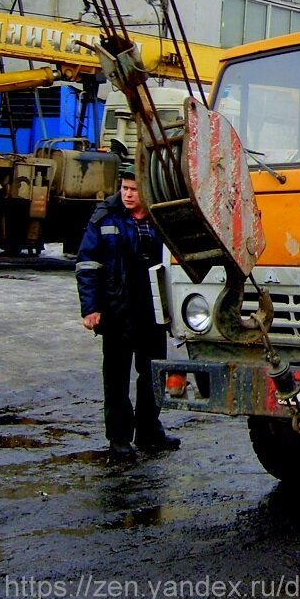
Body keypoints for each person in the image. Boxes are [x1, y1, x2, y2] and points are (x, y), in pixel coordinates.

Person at [76, 167, 180, 463]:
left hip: (153, 312)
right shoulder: (105, 217)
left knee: (151, 376)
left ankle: (149, 431)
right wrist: (91, 308)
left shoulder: (161, 217)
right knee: (117, 379)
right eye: (124, 188)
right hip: (117, 311)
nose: (128, 194)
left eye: (134, 189)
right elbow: (87, 264)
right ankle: (119, 440)